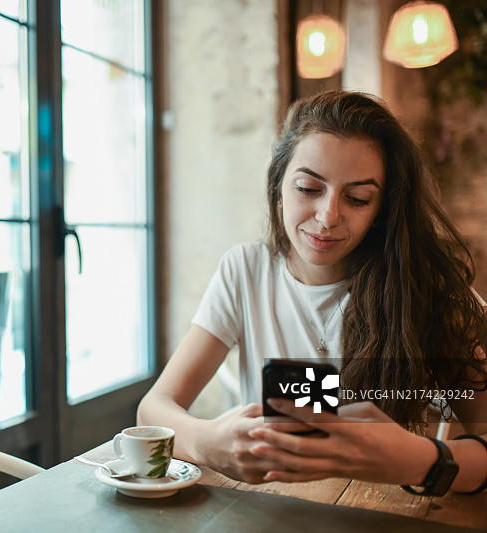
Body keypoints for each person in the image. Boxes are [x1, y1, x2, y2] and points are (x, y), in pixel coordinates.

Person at [137, 90, 487, 495]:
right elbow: (154, 408)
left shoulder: (424, 291)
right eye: (308, 188)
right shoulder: (246, 271)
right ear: (278, 187)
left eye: (357, 198)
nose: (327, 217)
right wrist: (206, 441)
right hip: (274, 508)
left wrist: (418, 458)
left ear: (382, 210)